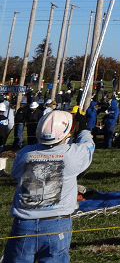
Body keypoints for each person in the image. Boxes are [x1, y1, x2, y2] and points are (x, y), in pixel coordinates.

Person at [3, 110, 94, 263]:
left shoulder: (25, 153)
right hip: (57, 224)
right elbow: (88, 144)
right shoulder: (72, 155)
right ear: (67, 133)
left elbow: (15, 173)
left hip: (24, 225)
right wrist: (83, 125)